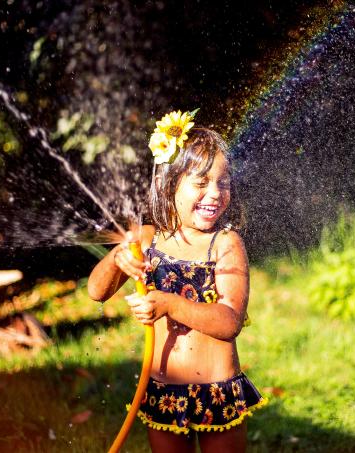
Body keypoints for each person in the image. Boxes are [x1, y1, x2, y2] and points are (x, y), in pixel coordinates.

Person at [87, 112, 267, 453]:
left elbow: (229, 322)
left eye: (223, 182)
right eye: (200, 182)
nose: (214, 192)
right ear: (170, 184)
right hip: (164, 392)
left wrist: (170, 303)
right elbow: (96, 291)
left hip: (217, 390)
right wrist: (117, 259)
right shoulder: (147, 240)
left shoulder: (225, 243)